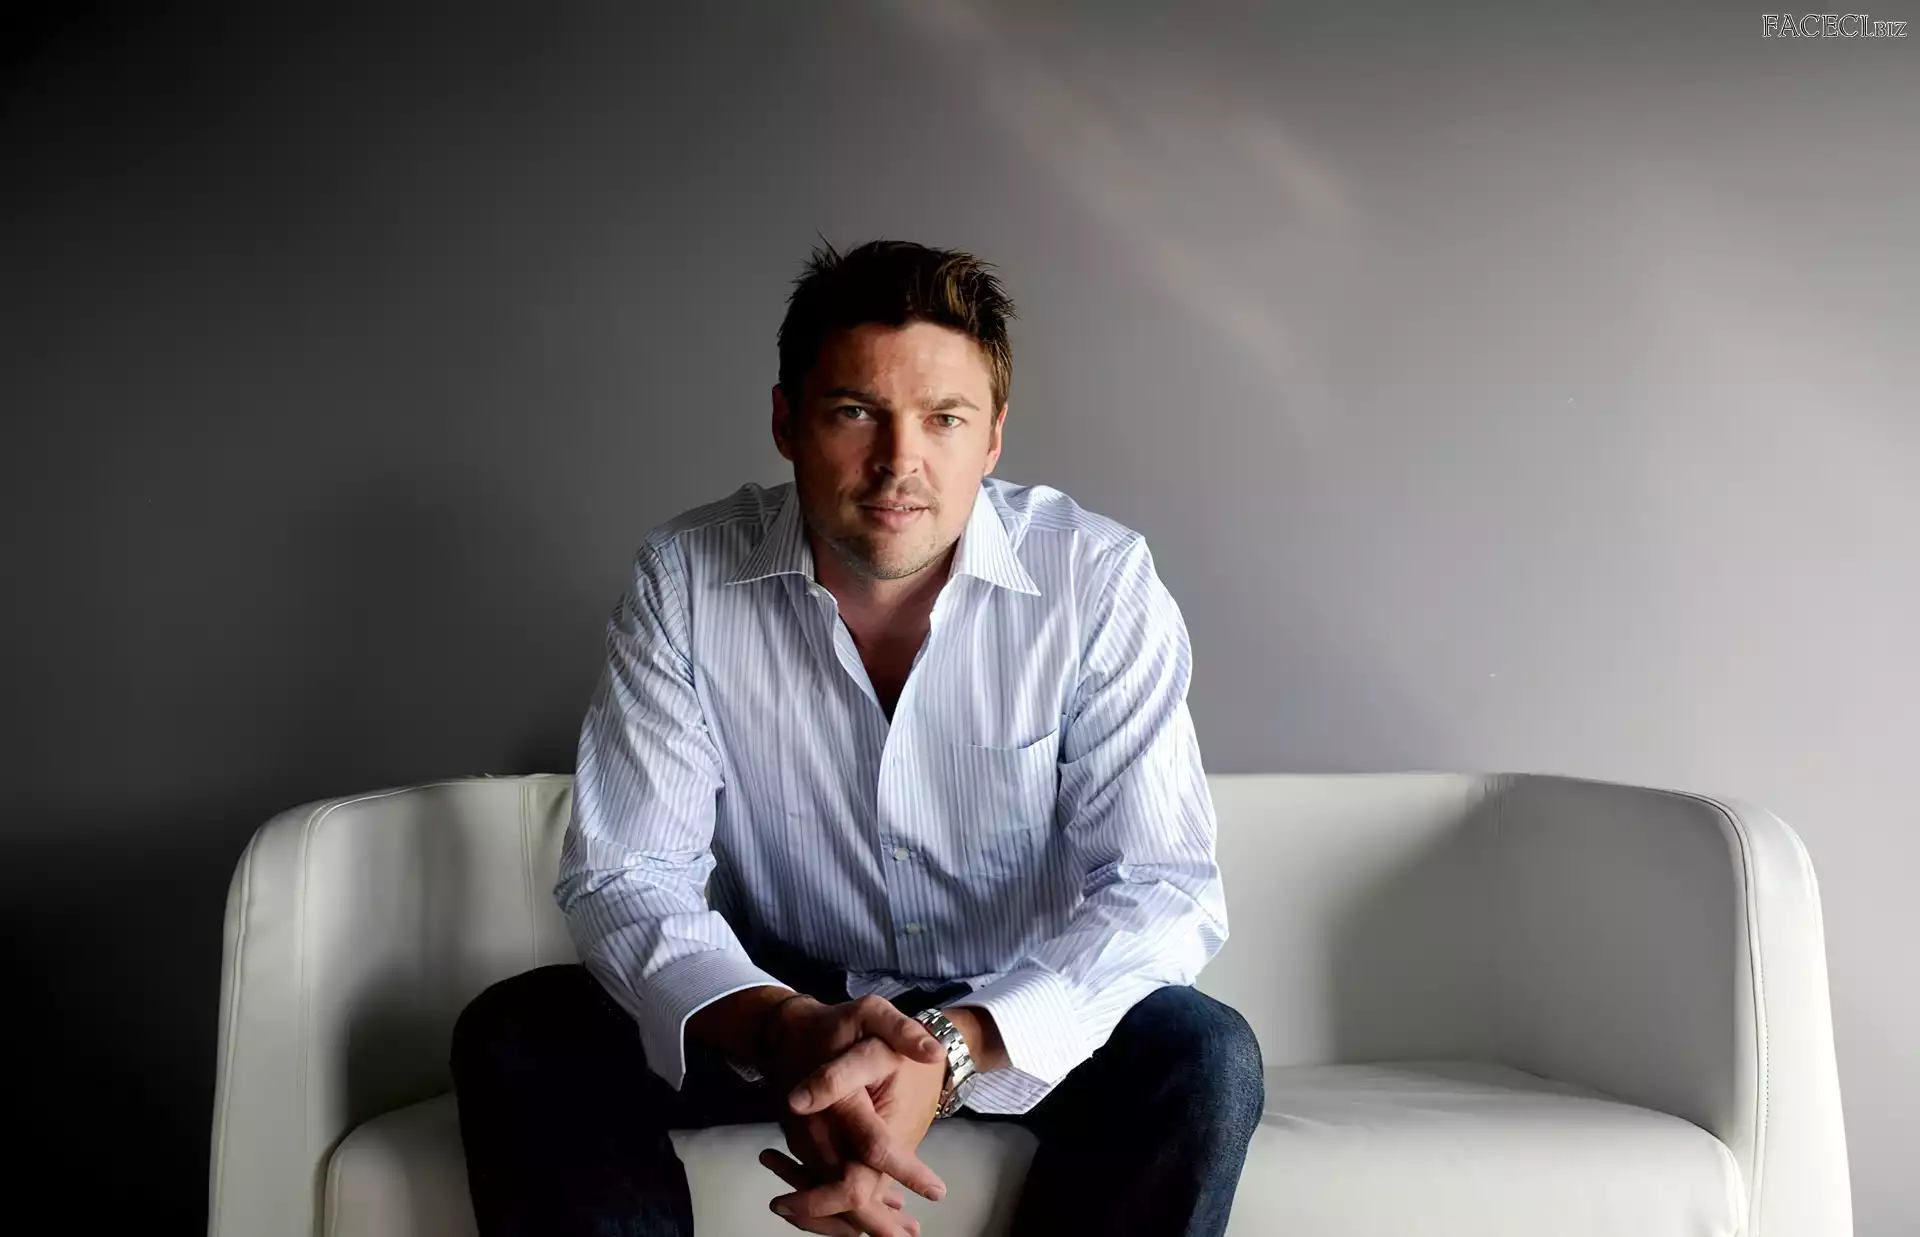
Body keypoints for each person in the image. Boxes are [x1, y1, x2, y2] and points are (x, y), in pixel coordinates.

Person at [450, 239, 1263, 1237]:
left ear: (993, 436)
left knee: (1205, 1054)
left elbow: (1161, 886)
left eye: (943, 418)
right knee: (521, 1031)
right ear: (786, 422)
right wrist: (784, 1027)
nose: (898, 462)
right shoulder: (686, 579)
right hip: (775, 999)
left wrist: (951, 1048)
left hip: (1006, 1006)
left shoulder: (1095, 582)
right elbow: (627, 873)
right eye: (854, 412)